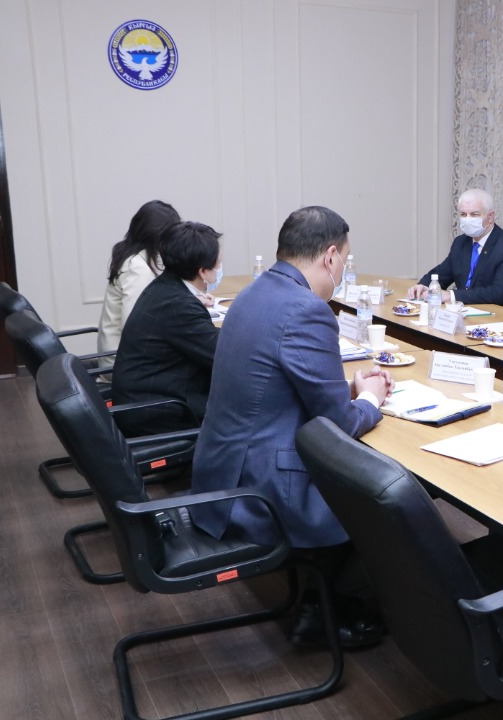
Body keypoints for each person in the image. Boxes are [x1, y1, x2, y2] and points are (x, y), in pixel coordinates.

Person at [190, 206, 393, 647]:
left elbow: (276, 381)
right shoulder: (307, 310)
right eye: (345, 261)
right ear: (331, 256)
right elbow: (339, 424)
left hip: (223, 469)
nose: (342, 270)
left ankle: (325, 600)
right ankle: (326, 611)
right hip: (260, 487)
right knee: (387, 498)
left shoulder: (254, 293)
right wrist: (371, 400)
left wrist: (349, 388)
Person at [111, 221, 223, 436]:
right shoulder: (179, 305)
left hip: (144, 397)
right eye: (218, 263)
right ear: (202, 271)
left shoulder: (165, 286)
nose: (219, 267)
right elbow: (223, 355)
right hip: (158, 413)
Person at [407, 188, 503, 306]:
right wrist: (423, 286)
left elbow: (498, 293)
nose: (467, 219)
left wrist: (451, 295)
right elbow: (442, 273)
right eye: (463, 214)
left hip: (499, 313)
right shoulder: (461, 242)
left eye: (474, 214)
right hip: (465, 311)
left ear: (490, 217)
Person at [96, 200, 181, 361]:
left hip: (121, 355)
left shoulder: (133, 256)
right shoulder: (137, 269)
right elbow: (137, 327)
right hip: (124, 363)